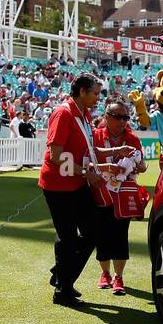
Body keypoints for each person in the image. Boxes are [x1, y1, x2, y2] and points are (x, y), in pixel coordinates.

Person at [38, 74, 105, 305]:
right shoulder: (64, 113)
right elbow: (55, 157)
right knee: (67, 237)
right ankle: (63, 289)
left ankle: (61, 275)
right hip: (58, 186)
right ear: (82, 92)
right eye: (95, 93)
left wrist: (116, 152)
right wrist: (87, 173)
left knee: (92, 232)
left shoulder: (84, 114)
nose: (98, 97)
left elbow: (89, 148)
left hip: (76, 184)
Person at [92, 97, 147, 294]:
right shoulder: (96, 136)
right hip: (101, 192)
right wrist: (108, 167)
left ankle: (119, 277)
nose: (123, 121)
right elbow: (87, 161)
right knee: (102, 235)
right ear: (107, 117)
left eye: (126, 117)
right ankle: (105, 273)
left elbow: (142, 164)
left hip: (124, 194)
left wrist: (139, 166)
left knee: (120, 235)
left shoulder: (133, 139)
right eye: (118, 117)